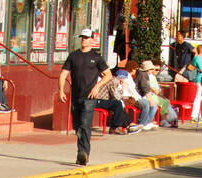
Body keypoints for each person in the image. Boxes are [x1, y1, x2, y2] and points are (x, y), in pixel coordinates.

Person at [58, 27, 117, 166]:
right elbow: (63, 73)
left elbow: (108, 75)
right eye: (82, 37)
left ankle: (84, 153)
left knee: (85, 124)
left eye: (86, 38)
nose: (84, 40)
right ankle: (80, 153)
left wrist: (97, 86)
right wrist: (61, 90)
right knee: (77, 126)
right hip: (75, 96)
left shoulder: (96, 57)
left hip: (89, 97)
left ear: (92, 39)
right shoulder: (73, 56)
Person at [135, 60, 178, 127]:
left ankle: (147, 122)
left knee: (164, 102)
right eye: (154, 69)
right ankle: (145, 123)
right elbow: (146, 88)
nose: (155, 71)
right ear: (148, 69)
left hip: (149, 94)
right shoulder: (144, 75)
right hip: (143, 95)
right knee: (154, 104)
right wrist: (151, 98)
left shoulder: (147, 75)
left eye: (158, 70)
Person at [119, 60, 153, 130]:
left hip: (130, 97)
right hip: (128, 98)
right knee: (146, 103)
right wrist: (138, 98)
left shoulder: (124, 74)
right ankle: (142, 123)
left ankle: (145, 123)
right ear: (132, 69)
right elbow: (131, 89)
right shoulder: (127, 75)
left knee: (147, 103)